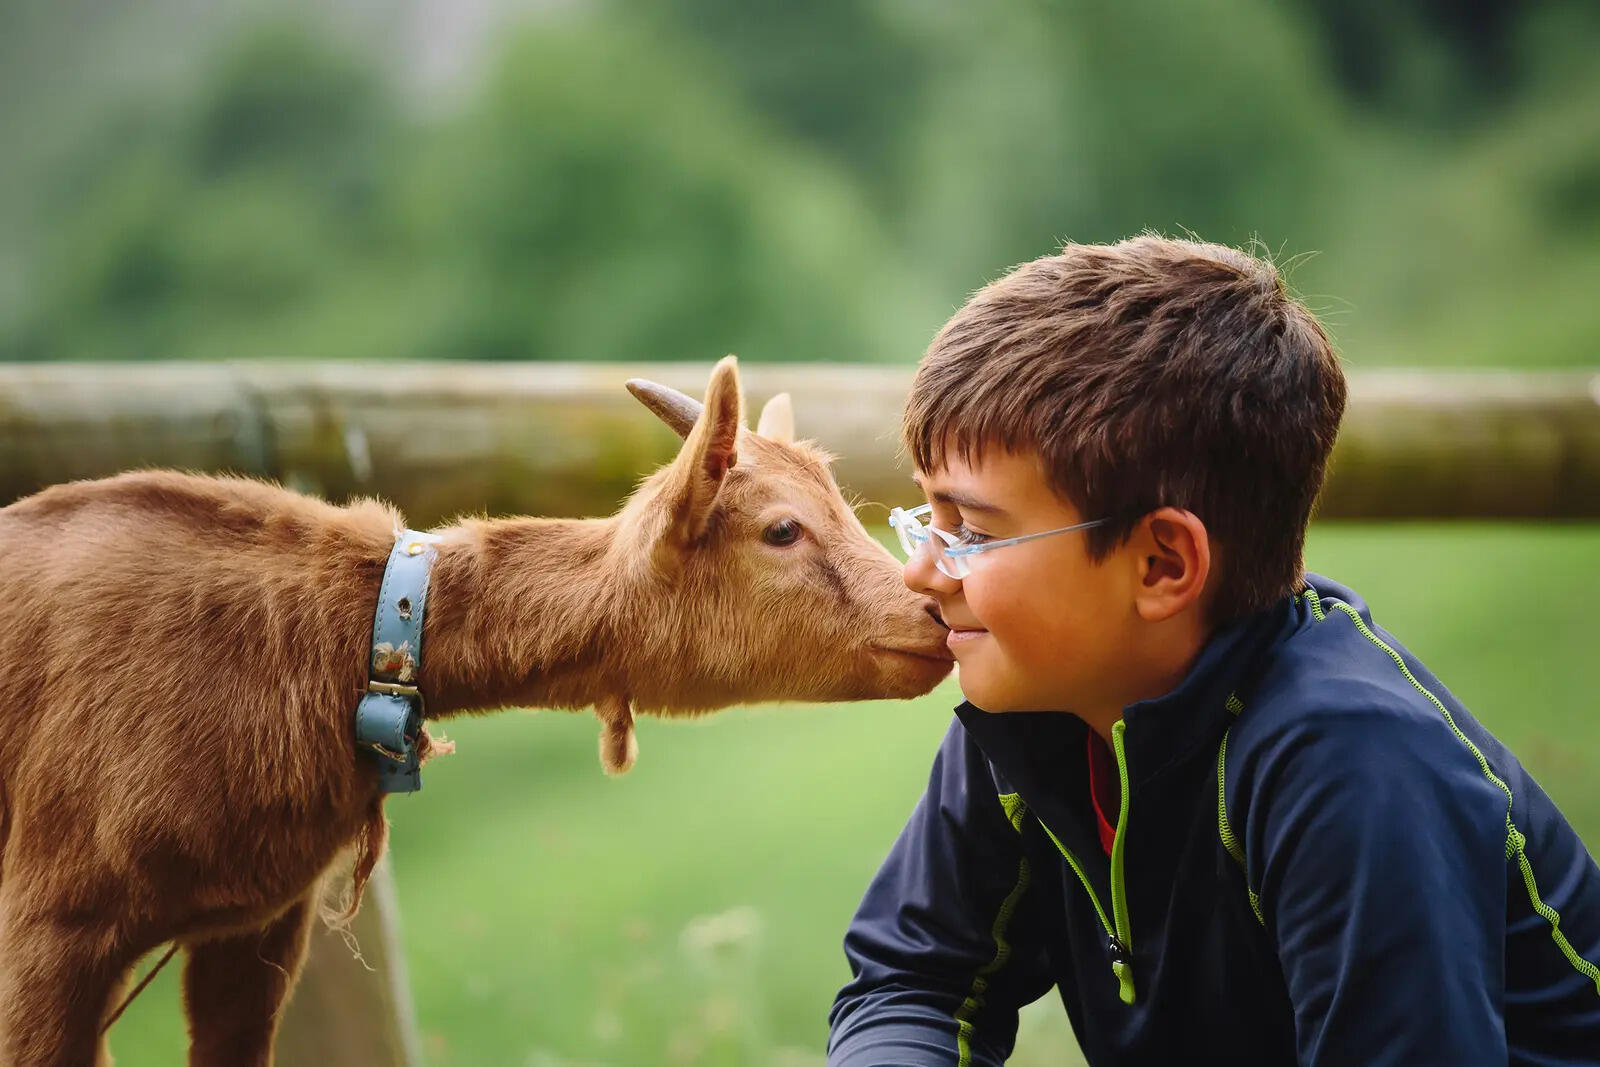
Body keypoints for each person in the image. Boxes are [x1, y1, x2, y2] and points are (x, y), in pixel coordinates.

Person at [826, 235, 1600, 1066]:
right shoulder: (1039, 710)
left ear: (1163, 564)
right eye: (927, 517)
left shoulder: (1354, 766)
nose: (919, 570)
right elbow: (911, 980)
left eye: (972, 531)